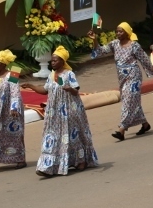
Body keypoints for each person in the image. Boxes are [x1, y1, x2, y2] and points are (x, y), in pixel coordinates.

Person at [21, 46, 98, 177]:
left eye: (56, 60)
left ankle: (81, 160)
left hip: (70, 111)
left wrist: (69, 89)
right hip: (54, 113)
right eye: (52, 61)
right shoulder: (52, 75)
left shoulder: (69, 74)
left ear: (63, 61)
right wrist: (31, 86)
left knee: (73, 137)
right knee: (52, 137)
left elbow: (75, 89)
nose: (53, 63)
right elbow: (45, 90)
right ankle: (47, 166)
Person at [89, 22, 153, 141]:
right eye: (117, 31)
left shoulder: (134, 45)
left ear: (127, 33)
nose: (118, 33)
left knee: (128, 101)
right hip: (122, 78)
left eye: (121, 31)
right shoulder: (114, 44)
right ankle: (145, 124)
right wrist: (95, 40)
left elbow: (144, 59)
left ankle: (122, 129)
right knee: (130, 101)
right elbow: (100, 51)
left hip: (134, 77)